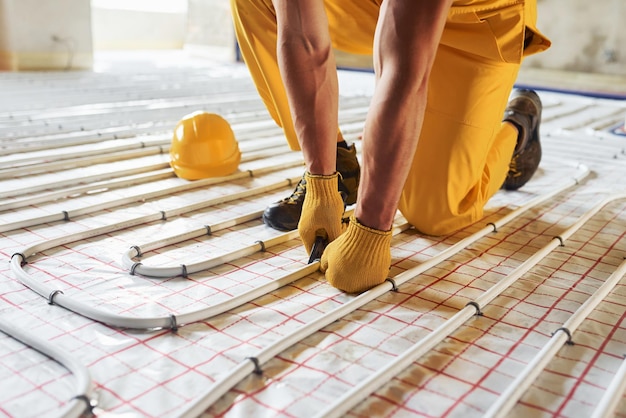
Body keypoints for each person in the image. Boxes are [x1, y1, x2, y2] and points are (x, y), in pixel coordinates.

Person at [230, 0, 551, 293]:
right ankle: (341, 163)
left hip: (474, 25)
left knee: (434, 212)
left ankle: (518, 125)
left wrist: (370, 231)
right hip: (371, 8)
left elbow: (404, 68)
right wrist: (321, 180)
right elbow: (302, 37)